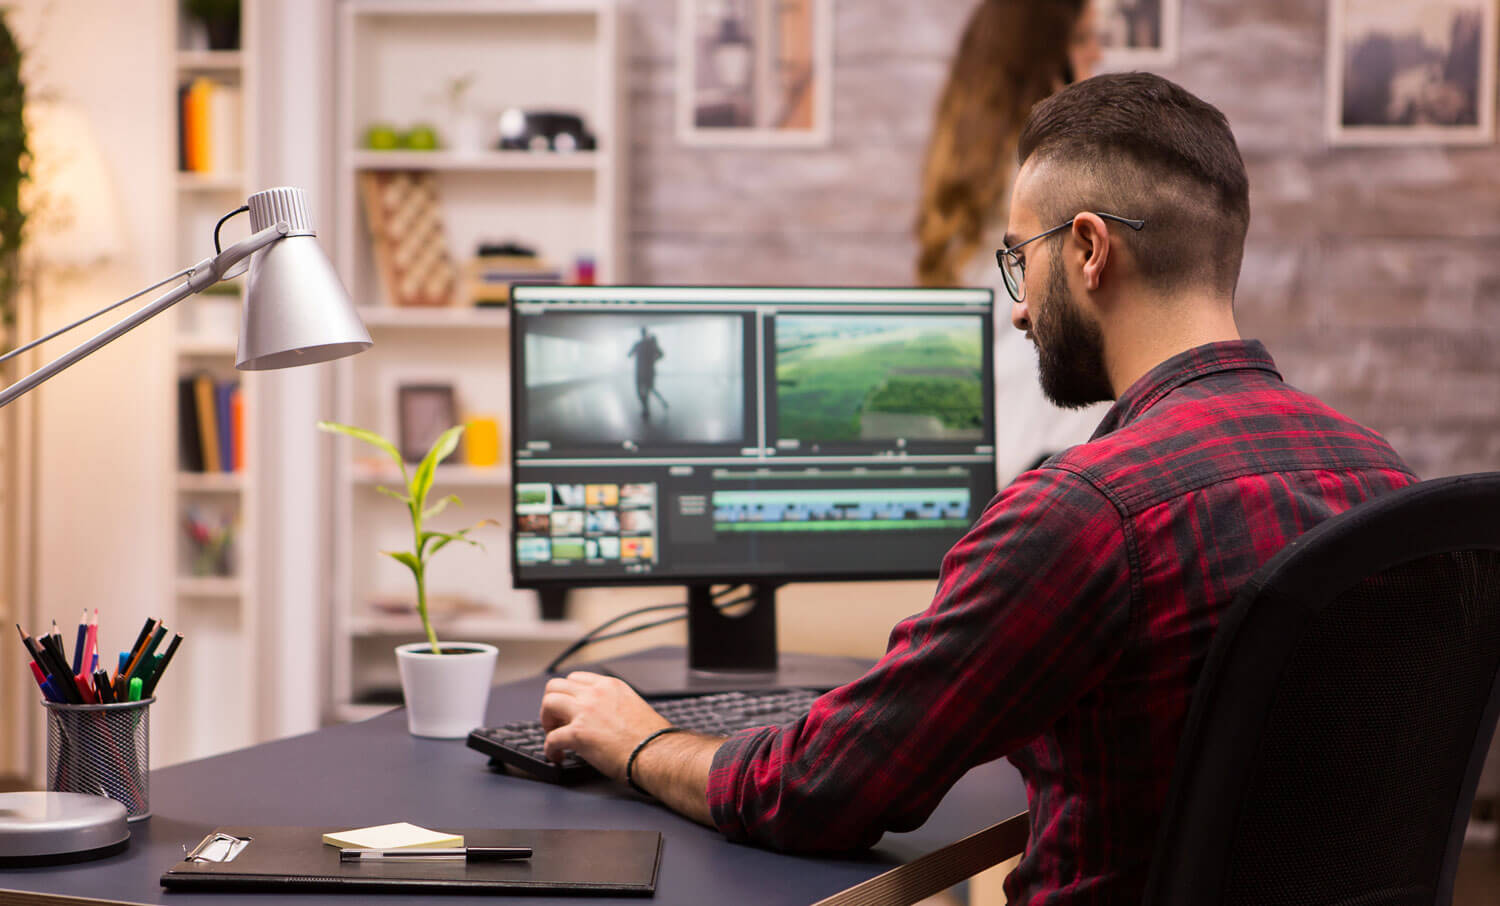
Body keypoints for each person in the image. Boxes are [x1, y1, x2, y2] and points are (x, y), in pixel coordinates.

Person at [538, 73, 1417, 905]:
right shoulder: (1386, 482)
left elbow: (820, 789)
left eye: (1017, 259)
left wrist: (642, 743)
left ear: (1086, 249)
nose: (1019, 309)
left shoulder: (1084, 513)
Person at [915, 0, 1107, 483]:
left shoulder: (969, 175)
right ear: (1045, 59)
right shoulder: (1055, 176)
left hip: (984, 451)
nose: (1098, 55)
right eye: (1083, 39)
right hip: (1047, 458)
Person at [627, 326, 666, 420]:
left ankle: (646, 409)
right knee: (650, 389)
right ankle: (655, 404)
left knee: (641, 390)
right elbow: (661, 354)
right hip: (649, 371)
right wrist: (653, 360)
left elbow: (629, 355)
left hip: (640, 371)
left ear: (641, 334)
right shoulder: (651, 344)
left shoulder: (638, 344)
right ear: (646, 333)